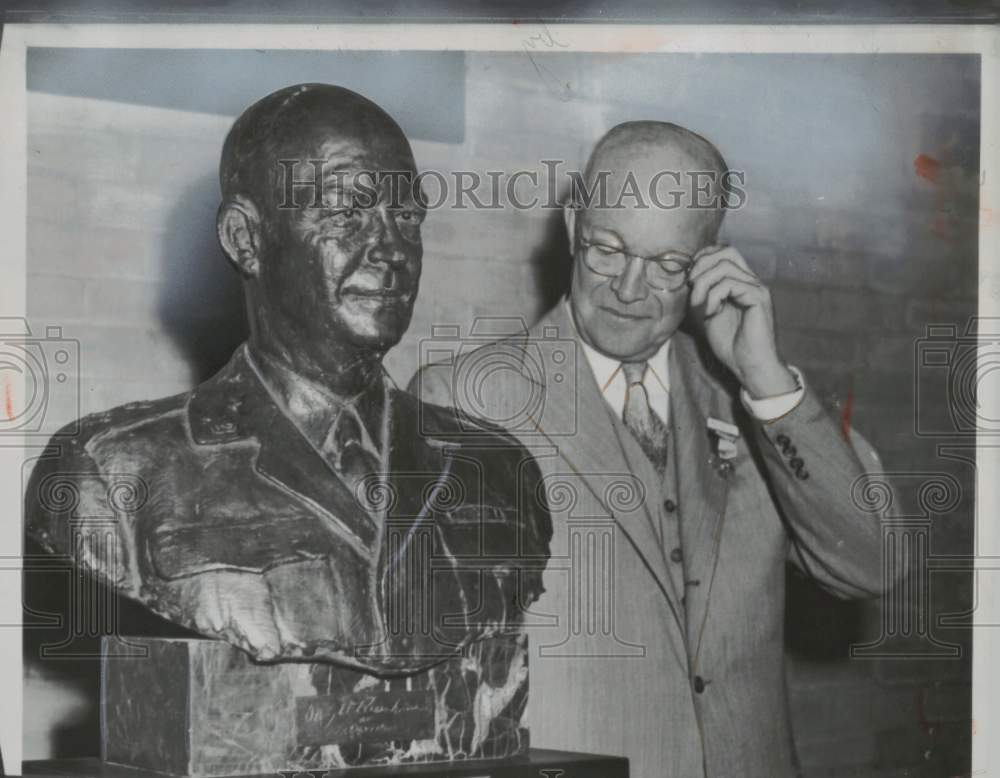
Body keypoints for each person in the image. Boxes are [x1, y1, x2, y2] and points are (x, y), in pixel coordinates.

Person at [410, 121, 889, 777]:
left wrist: (766, 383)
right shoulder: (466, 398)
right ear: (573, 221)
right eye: (607, 250)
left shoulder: (756, 400)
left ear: (708, 262)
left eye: (667, 266)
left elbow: (872, 564)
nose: (629, 290)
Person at [25, 83, 551, 675]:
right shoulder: (110, 473)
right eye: (346, 213)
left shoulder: (500, 470)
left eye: (405, 214)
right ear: (246, 240)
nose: (390, 248)